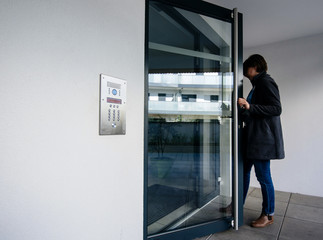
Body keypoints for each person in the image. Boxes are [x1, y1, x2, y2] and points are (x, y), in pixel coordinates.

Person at [238, 54, 285, 228]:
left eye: (247, 68)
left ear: (255, 67)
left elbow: (276, 108)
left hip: (261, 141)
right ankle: (237, 205)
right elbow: (255, 113)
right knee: (243, 172)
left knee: (263, 177)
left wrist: (250, 106)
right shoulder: (257, 85)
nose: (244, 72)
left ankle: (268, 214)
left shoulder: (265, 82)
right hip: (253, 139)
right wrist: (243, 110)